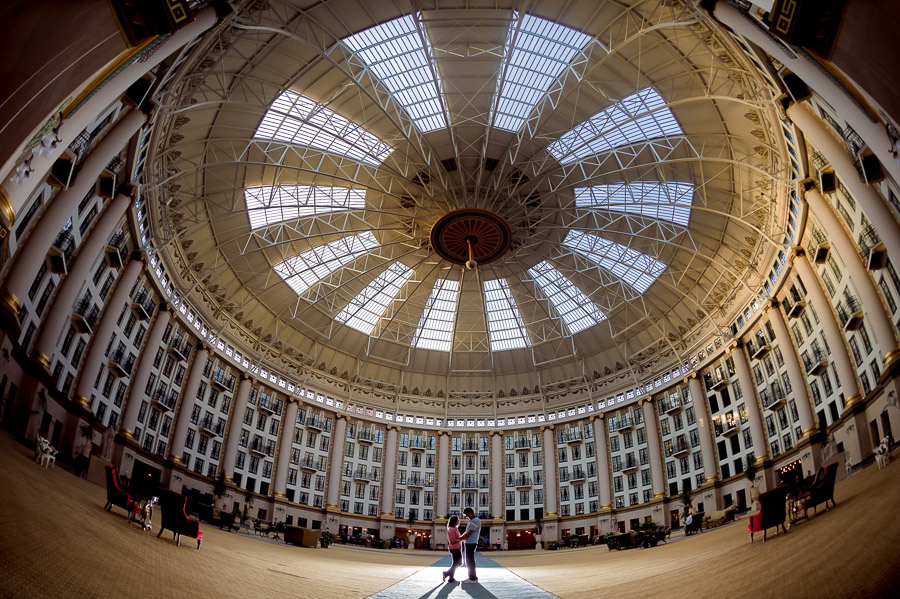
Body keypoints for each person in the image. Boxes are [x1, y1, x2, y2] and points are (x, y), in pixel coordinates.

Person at [458, 507, 481, 583]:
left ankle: (472, 578)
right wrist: (460, 537)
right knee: (469, 560)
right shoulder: (471, 520)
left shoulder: (475, 521)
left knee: (470, 560)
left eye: (467, 515)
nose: (467, 517)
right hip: (468, 542)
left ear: (471, 513)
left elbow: (469, 533)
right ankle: (472, 577)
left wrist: (459, 539)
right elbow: (466, 531)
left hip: (471, 542)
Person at [442, 516, 463, 583]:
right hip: (454, 548)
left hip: (457, 548)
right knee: (458, 563)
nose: (459, 521)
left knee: (456, 563)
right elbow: (452, 541)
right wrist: (462, 538)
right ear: (454, 521)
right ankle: (448, 574)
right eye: (458, 520)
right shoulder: (451, 529)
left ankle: (450, 577)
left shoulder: (455, 529)